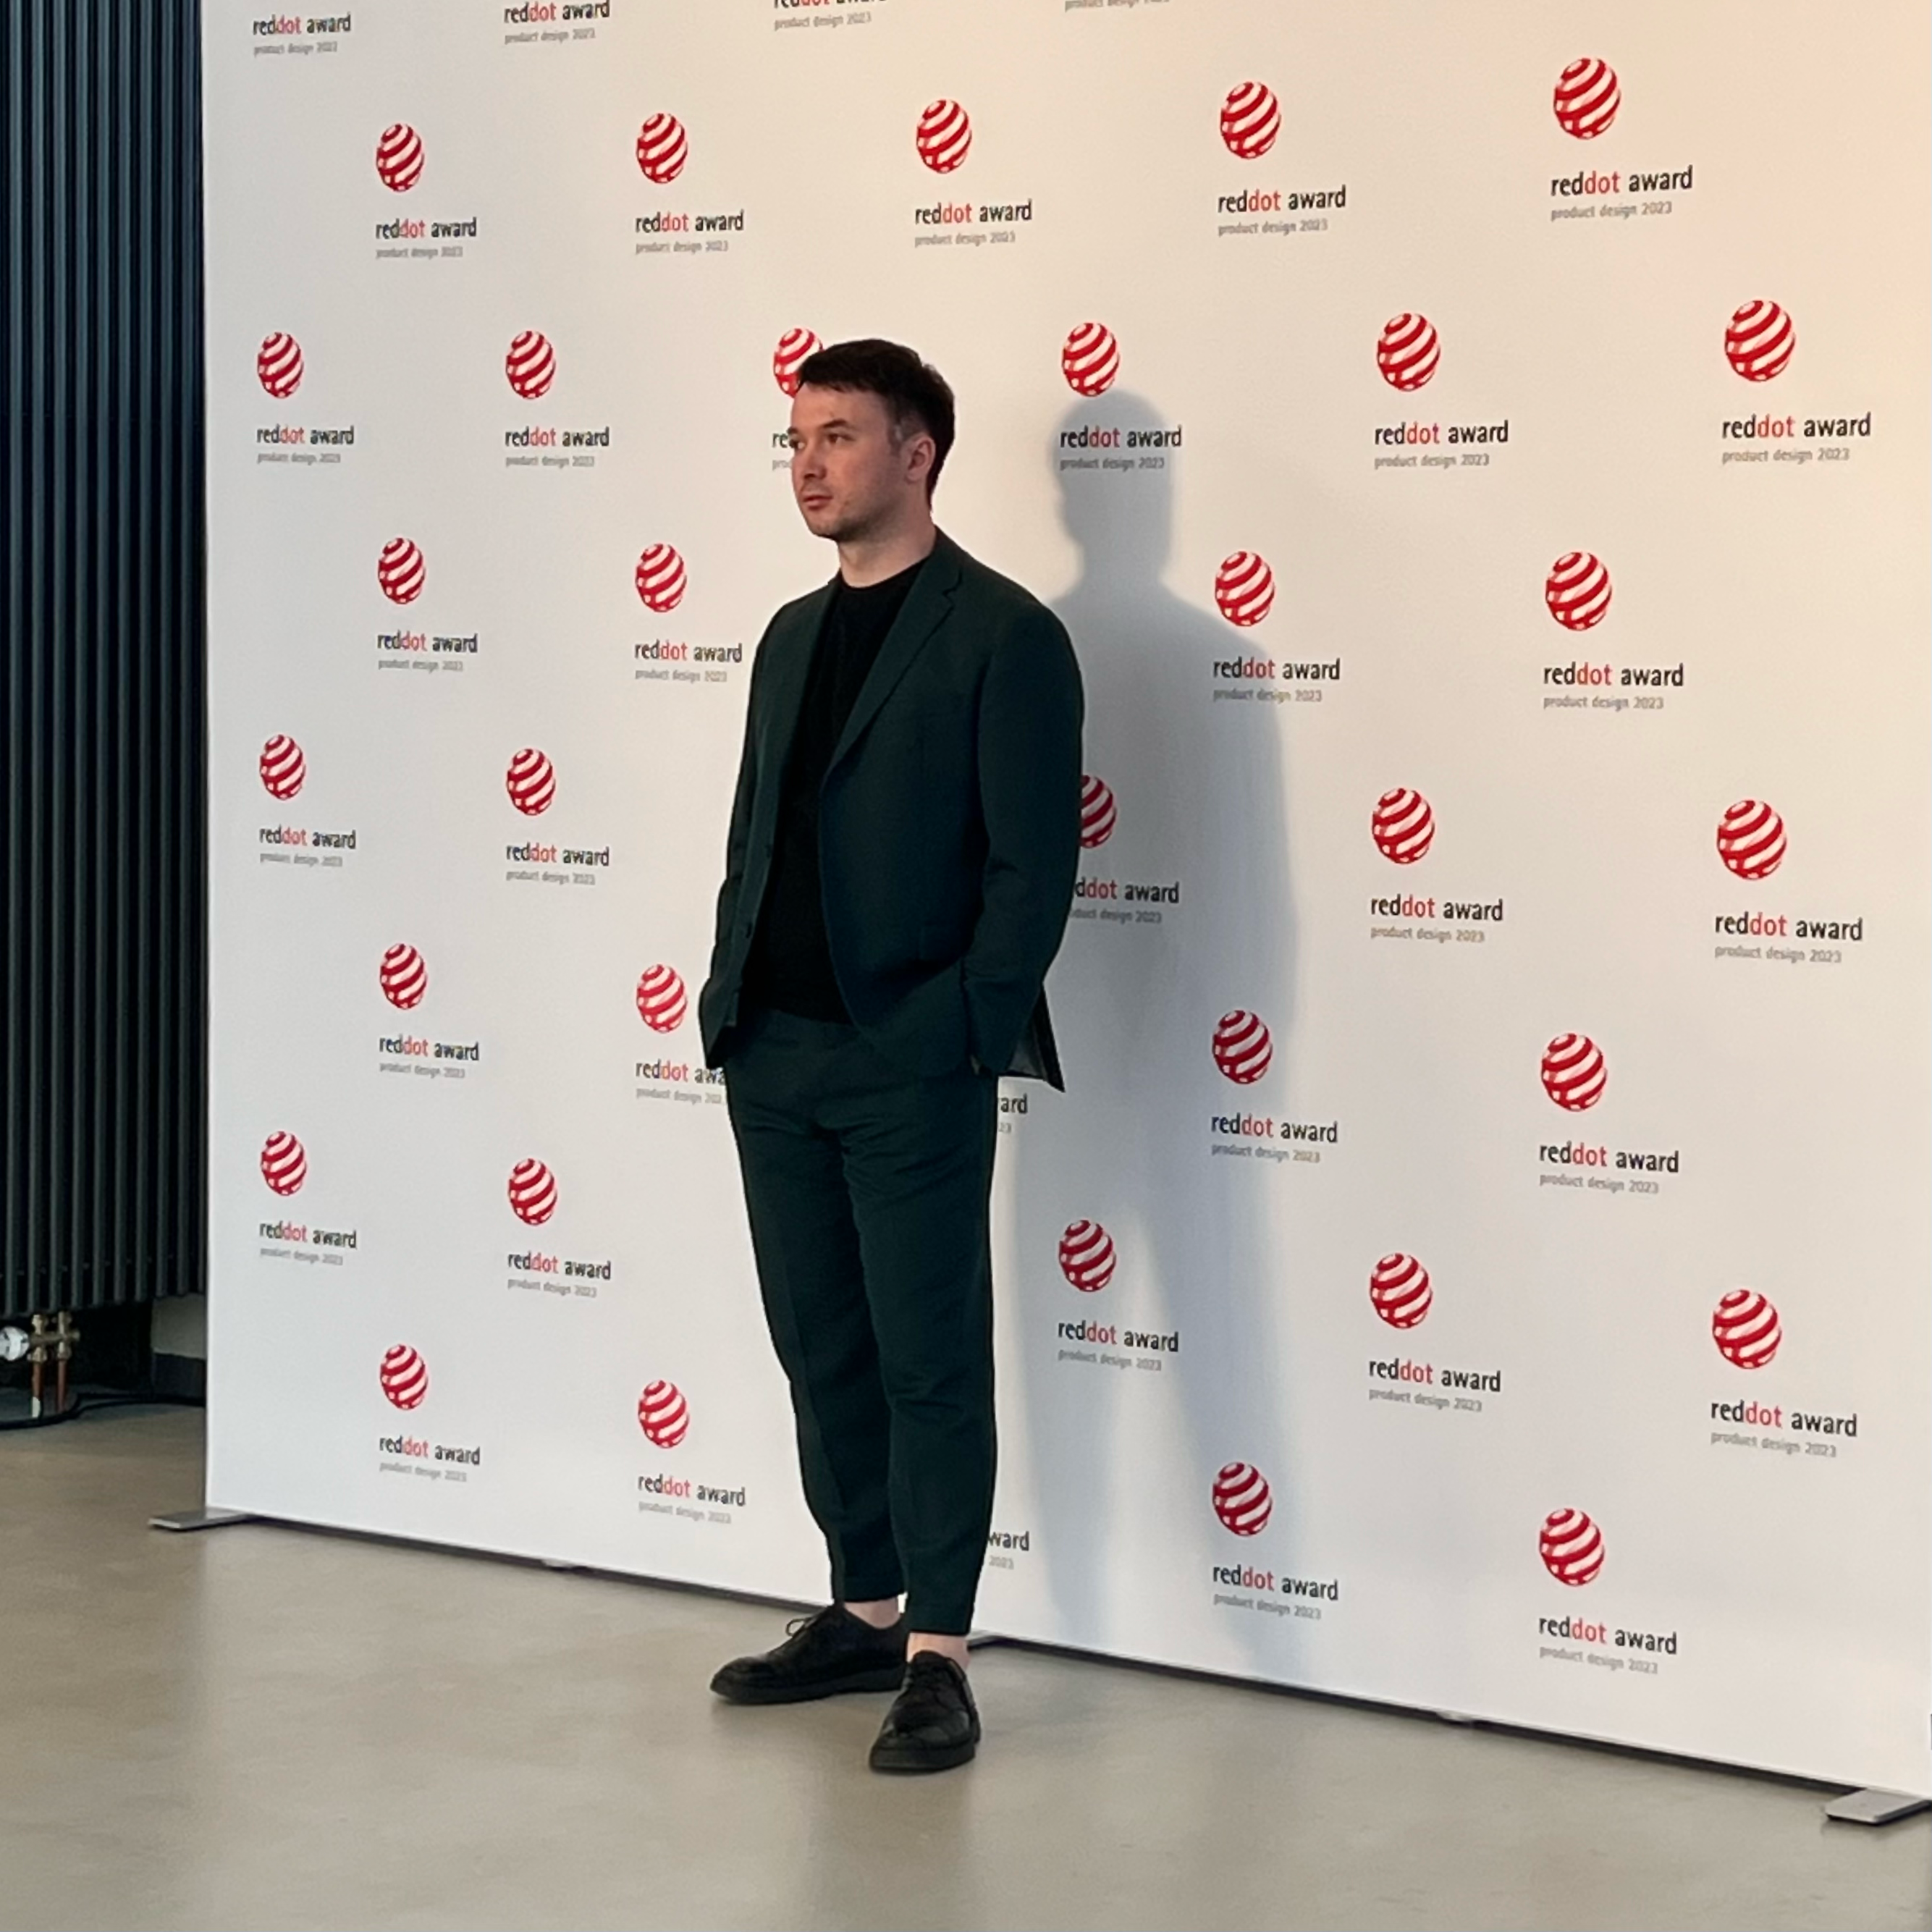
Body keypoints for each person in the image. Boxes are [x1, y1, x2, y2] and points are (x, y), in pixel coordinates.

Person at [698, 338, 1084, 1773]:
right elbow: (755, 831)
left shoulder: (1003, 634)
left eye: (838, 436)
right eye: (797, 439)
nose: (808, 464)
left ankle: (939, 1651)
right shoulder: (788, 635)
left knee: (929, 1360)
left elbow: (1033, 869)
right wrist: (727, 996)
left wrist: (955, 1030)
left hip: (909, 1057)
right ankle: (864, 1607)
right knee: (821, 1347)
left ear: (916, 453)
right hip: (774, 1051)